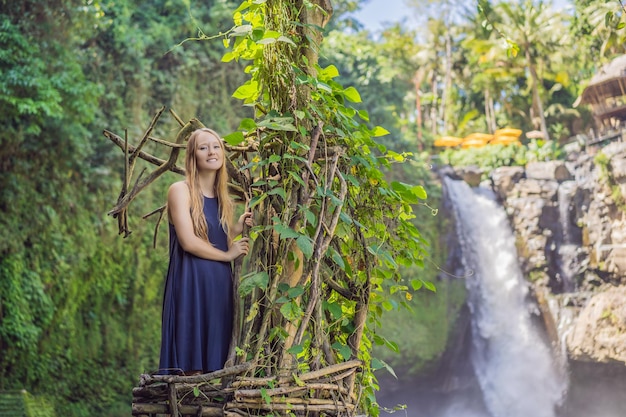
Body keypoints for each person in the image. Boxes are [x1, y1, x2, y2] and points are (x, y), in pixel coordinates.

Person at [158, 127, 252, 375]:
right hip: (191, 284)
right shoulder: (180, 190)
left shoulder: (223, 198)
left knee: (217, 363)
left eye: (216, 146)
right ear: (193, 157)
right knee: (191, 367)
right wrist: (227, 255)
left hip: (219, 285)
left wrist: (236, 229)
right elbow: (188, 241)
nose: (211, 151)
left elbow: (212, 236)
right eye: (203, 147)